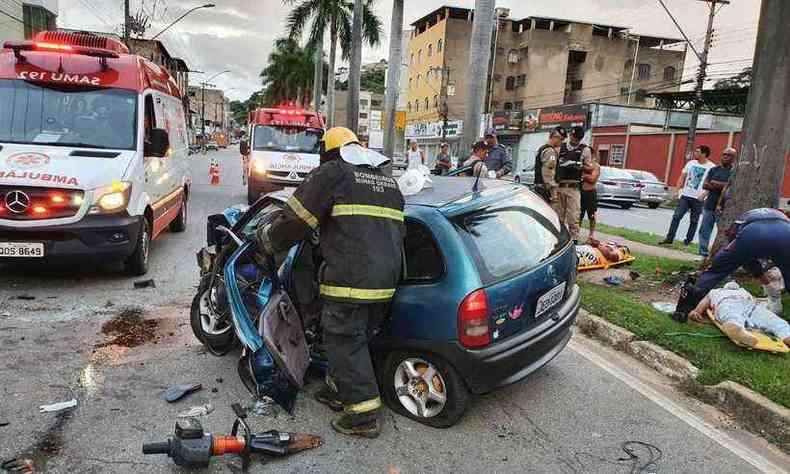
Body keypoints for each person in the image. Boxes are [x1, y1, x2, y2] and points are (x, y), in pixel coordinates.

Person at [257, 127, 405, 439]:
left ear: (328, 151)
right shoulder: (386, 181)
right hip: (387, 281)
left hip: (351, 281)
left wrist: (270, 240)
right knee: (355, 339)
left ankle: (363, 417)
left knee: (343, 340)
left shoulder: (332, 174)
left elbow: (297, 220)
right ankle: (339, 390)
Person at [673, 208, 790, 321]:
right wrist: (769, 287)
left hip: (752, 235)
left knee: (716, 270)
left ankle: (685, 309)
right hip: (786, 235)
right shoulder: (780, 216)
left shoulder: (737, 225)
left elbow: (745, 259)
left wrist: (765, 282)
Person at [688, 282, 790, 348]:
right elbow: (704, 302)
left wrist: (697, 311)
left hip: (747, 304)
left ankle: (787, 335)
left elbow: (755, 300)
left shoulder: (739, 291)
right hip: (733, 303)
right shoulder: (716, 292)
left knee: (772, 320)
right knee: (732, 315)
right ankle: (738, 331)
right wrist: (696, 311)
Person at [660, 145, 716, 246]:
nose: (695, 153)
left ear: (704, 154)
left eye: (698, 152)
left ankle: (687, 241)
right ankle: (669, 238)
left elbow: (712, 184)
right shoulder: (690, 163)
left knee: (694, 221)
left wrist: (704, 194)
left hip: (699, 198)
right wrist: (677, 191)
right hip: (685, 195)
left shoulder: (711, 167)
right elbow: (682, 177)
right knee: (676, 216)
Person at [697, 147, 736, 257]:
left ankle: (721, 254)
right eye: (724, 154)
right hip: (709, 205)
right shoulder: (714, 170)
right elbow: (705, 185)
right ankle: (703, 253)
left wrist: (715, 183)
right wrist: (721, 185)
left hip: (724, 208)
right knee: (704, 230)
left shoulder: (734, 172)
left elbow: (730, 187)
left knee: (724, 232)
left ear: (734, 158)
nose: (725, 156)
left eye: (729, 155)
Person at [555, 126, 590, 242]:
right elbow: (553, 163)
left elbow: (589, 168)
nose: (574, 140)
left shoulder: (585, 149)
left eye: (577, 139)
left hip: (573, 188)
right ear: (570, 135)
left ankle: (574, 240)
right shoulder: (561, 147)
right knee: (557, 215)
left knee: (573, 216)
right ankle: (557, 238)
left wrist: (578, 165)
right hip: (560, 186)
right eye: (573, 137)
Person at [533, 127, 566, 205]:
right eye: (561, 139)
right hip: (545, 190)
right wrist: (553, 192)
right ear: (555, 137)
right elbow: (548, 172)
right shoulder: (550, 152)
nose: (562, 142)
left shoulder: (542, 148)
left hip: (539, 187)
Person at [580, 140, 600, 241]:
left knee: (591, 215)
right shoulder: (582, 165)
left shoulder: (596, 166)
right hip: (580, 192)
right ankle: (576, 233)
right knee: (578, 214)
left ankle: (591, 235)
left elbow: (592, 179)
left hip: (590, 193)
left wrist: (583, 176)